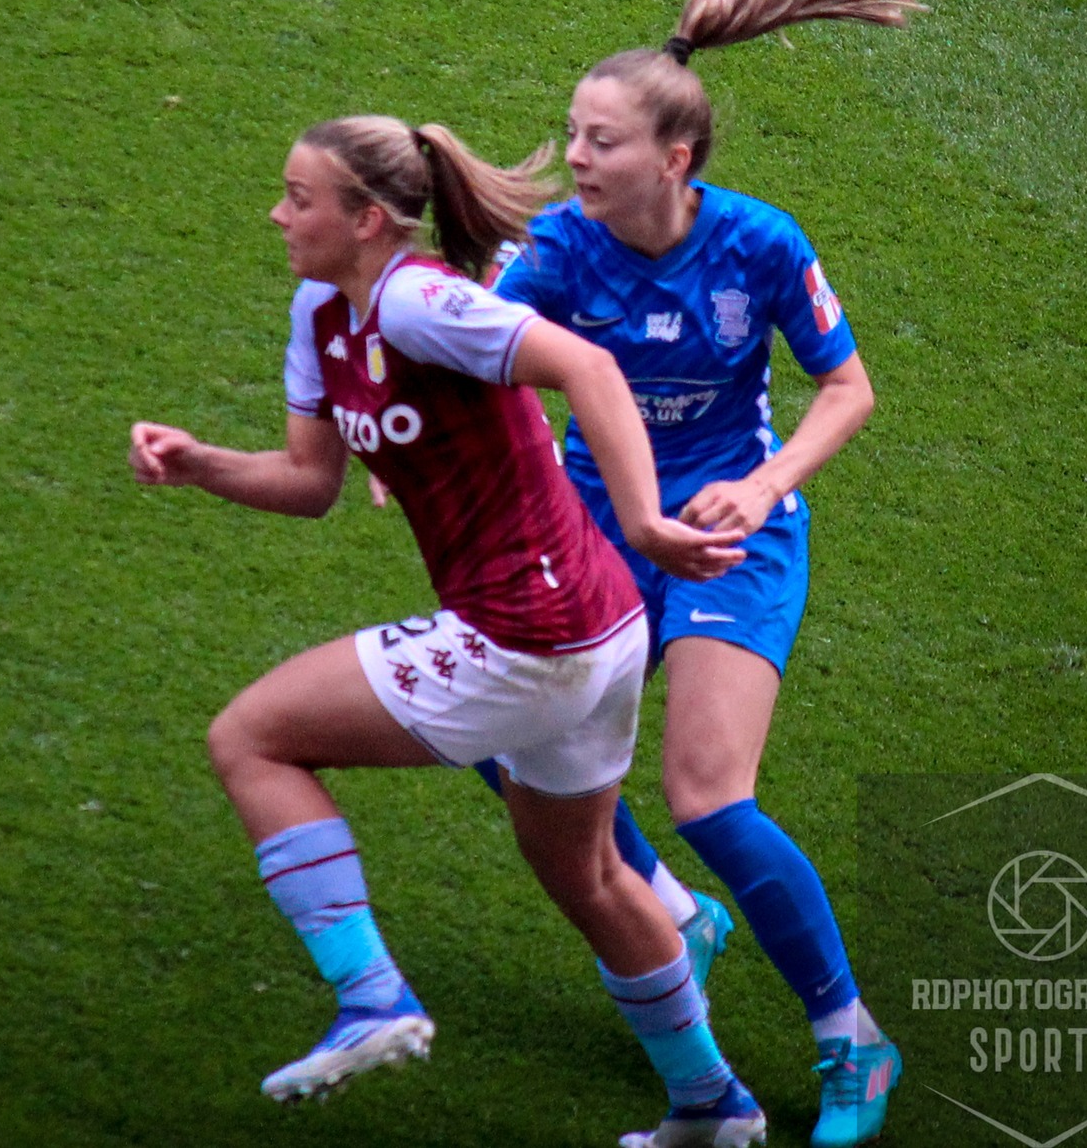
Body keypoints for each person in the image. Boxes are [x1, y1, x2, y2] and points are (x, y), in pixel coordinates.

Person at [129, 115, 768, 1146]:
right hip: (585, 629)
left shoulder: (419, 302)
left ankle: (372, 998)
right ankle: (713, 1106)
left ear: (367, 218)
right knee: (590, 875)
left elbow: (590, 372)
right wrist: (198, 460)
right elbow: (307, 483)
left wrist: (646, 520)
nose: (277, 213)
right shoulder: (323, 314)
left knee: (249, 739)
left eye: (299, 198)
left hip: (534, 631)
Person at [485, 0, 922, 1148]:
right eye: (570, 134)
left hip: (734, 526)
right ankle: (669, 909)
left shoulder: (760, 243)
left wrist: (766, 480)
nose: (572, 159)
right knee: (504, 740)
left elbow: (845, 388)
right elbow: (478, 352)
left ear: (675, 158)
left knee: (708, 792)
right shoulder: (557, 251)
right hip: (592, 525)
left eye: (598, 143)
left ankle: (852, 1039)